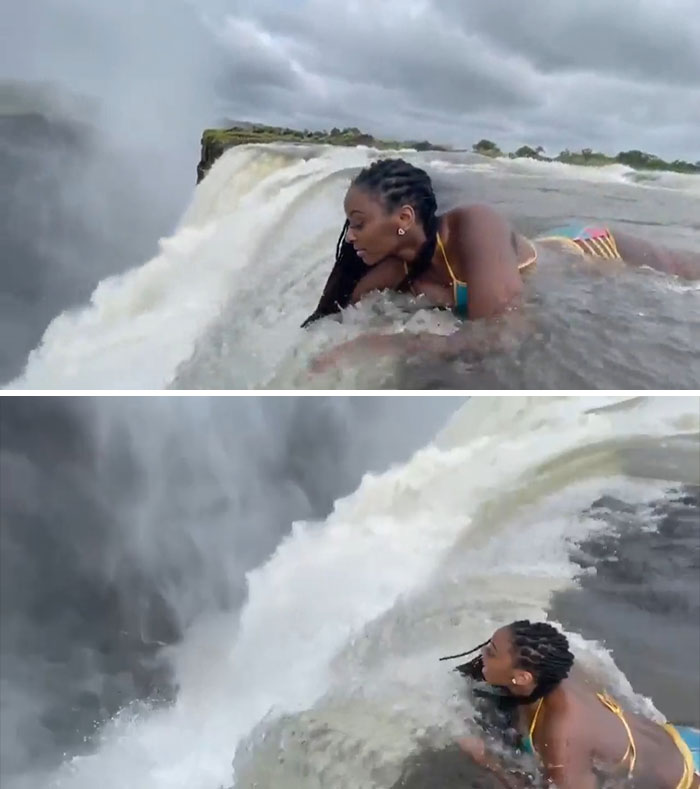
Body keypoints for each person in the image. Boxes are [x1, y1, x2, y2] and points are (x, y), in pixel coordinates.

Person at [302, 158, 700, 331]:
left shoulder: (475, 224)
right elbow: (338, 318)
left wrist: (391, 347)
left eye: (359, 223)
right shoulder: (394, 271)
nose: (350, 236)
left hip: (589, 246)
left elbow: (504, 330)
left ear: (404, 218)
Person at [443, 620, 700, 788]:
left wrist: (485, 759)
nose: (483, 653)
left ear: (522, 677)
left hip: (679, 781)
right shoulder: (556, 671)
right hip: (674, 743)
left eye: (491, 651)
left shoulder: (560, 737)